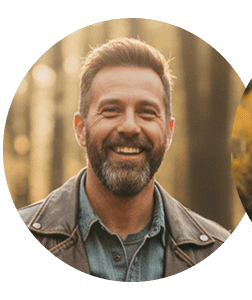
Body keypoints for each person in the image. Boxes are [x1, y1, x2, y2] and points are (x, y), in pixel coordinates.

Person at [17, 37, 231, 281]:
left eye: (146, 112)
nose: (129, 126)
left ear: (168, 133)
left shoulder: (215, 247)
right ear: (81, 129)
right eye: (111, 110)